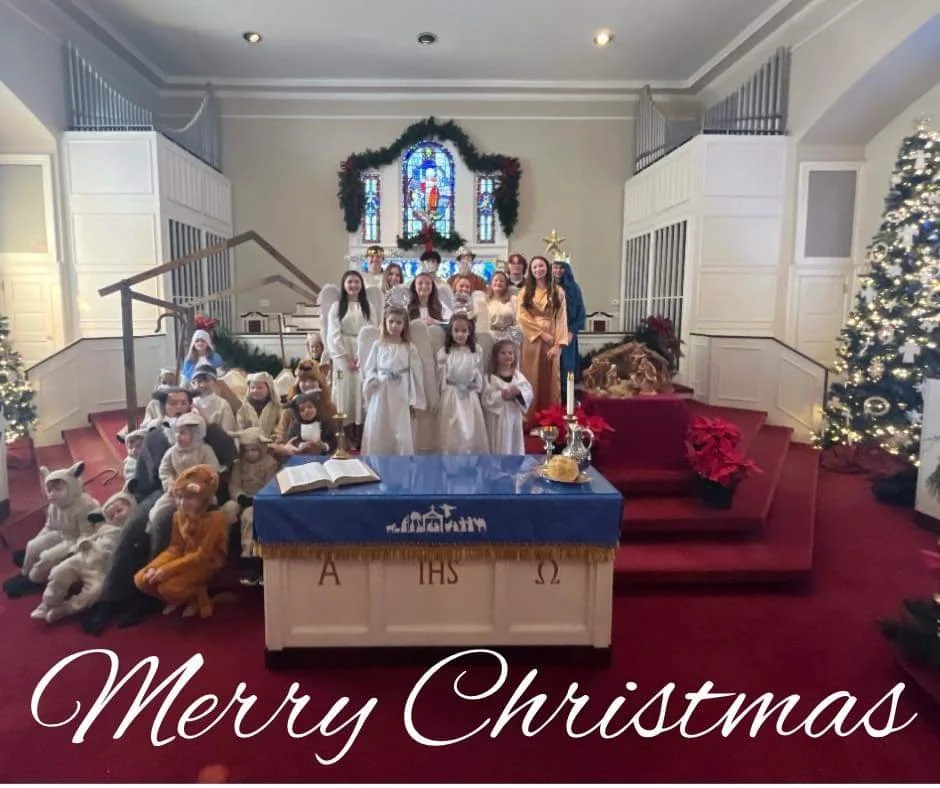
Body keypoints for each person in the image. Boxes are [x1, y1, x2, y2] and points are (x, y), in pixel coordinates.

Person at [81, 387, 237, 635]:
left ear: (190, 405)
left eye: (182, 402)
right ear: (165, 407)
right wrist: (145, 495)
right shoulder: (156, 436)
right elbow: (146, 473)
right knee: (135, 524)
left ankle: (150, 592)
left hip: (201, 493)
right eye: (172, 403)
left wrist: (209, 424)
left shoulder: (203, 432)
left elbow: (229, 455)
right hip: (162, 490)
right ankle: (110, 598)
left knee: (165, 521)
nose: (177, 407)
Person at [134, 465, 230, 620]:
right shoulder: (178, 515)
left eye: (189, 498)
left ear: (203, 498)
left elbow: (203, 554)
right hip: (186, 558)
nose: (182, 502)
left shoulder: (216, 518)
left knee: (168, 588)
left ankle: (197, 596)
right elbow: (175, 547)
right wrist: (155, 567)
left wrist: (167, 570)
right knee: (141, 579)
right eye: (179, 497)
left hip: (208, 561)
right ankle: (185, 597)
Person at [37, 487, 137, 623]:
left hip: (100, 567)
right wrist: (82, 544)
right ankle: (48, 603)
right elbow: (89, 535)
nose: (116, 516)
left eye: (119, 511)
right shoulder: (103, 526)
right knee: (58, 572)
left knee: (95, 591)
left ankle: (66, 609)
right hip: (84, 557)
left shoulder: (128, 532)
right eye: (111, 515)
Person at [360, 305, 426, 455]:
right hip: (381, 391)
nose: (394, 326)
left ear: (404, 325)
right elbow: (369, 368)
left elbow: (416, 374)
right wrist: (372, 378)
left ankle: (401, 460)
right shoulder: (378, 345)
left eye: (398, 322)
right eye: (391, 322)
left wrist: (414, 399)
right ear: (385, 322)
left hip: (401, 392)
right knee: (380, 423)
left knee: (400, 428)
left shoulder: (409, 347)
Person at [222, 428, 279, 587]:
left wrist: (255, 499)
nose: (250, 454)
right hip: (241, 497)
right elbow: (234, 485)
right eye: (246, 450)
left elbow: (270, 486)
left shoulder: (270, 463)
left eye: (254, 450)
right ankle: (222, 551)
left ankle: (249, 558)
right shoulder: (239, 464)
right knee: (226, 512)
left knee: (249, 516)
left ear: (262, 448)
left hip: (259, 499)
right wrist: (239, 496)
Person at [325, 270, 374, 450]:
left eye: (356, 282)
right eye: (349, 282)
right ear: (344, 285)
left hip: (363, 353)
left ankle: (361, 433)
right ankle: (344, 436)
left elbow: (372, 331)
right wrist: (347, 358)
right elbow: (333, 334)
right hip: (343, 354)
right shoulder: (337, 307)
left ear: (361, 285)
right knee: (345, 393)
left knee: (360, 392)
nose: (353, 285)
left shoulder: (368, 306)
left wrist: (361, 357)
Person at [516, 255, 568, 417]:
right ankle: (529, 417)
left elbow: (561, 318)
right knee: (531, 376)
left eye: (541, 266)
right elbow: (521, 316)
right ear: (531, 271)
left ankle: (550, 419)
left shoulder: (557, 291)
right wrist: (540, 334)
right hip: (532, 340)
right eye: (534, 267)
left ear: (548, 268)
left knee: (550, 380)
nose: (538, 269)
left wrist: (557, 345)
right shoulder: (525, 291)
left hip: (552, 337)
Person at [437, 313, 488, 454]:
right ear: (450, 332)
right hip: (451, 395)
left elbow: (479, 372)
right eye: (456, 331)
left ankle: (471, 463)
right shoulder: (445, 353)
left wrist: (474, 385)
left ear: (470, 332)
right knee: (452, 429)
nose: (460, 334)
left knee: (470, 429)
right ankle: (451, 464)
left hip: (470, 396)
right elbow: (441, 376)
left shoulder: (476, 351)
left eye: (464, 331)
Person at [482, 340, 533, 455]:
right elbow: (486, 398)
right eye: (503, 353)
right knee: (500, 445)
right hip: (497, 420)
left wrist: (519, 392)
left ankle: (514, 467)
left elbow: (528, 391)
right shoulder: (490, 378)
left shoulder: (517, 375)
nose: (507, 356)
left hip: (513, 416)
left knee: (514, 444)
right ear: (496, 357)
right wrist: (501, 396)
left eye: (510, 353)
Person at [553, 259, 587, 397]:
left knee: (567, 367)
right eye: (555, 267)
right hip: (550, 333)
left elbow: (581, 313)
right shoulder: (545, 287)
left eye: (561, 268)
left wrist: (572, 331)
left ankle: (568, 404)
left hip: (568, 332)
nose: (558, 271)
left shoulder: (574, 288)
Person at [191, 364, 236, 434]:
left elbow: (227, 432)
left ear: (215, 383)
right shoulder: (189, 403)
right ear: (193, 383)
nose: (203, 385)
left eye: (207, 381)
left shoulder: (223, 405)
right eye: (199, 381)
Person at [235, 371, 281, 439]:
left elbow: (279, 426)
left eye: (260, 388)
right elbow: (240, 426)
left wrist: (274, 436)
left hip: (271, 443)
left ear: (269, 389)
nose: (255, 390)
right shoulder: (243, 408)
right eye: (252, 388)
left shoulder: (276, 407)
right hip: (249, 444)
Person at [486, 271, 517, 341]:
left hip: (508, 337)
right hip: (489, 337)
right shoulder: (485, 301)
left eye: (502, 281)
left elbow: (517, 322)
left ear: (506, 285)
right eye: (496, 280)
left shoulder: (513, 300)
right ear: (491, 283)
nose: (498, 283)